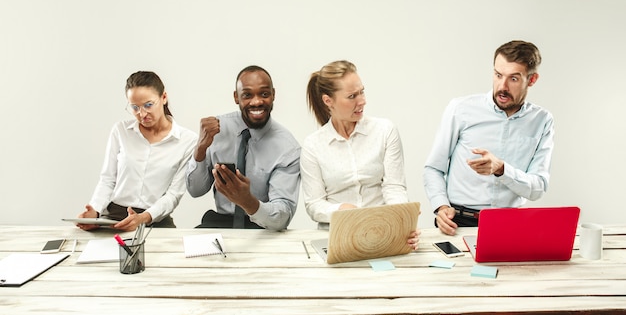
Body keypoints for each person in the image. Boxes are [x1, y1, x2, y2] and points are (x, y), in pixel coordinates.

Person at [424, 40, 554, 235]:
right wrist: (441, 207)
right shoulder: (461, 109)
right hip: (458, 224)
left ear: (532, 79)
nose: (502, 86)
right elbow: (433, 168)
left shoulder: (542, 121)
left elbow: (538, 188)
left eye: (514, 79)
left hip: (511, 225)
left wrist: (502, 169)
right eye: (498, 75)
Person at [301, 60, 420, 250]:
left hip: (383, 233)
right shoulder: (313, 145)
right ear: (328, 101)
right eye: (352, 96)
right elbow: (314, 205)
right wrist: (341, 210)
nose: (362, 101)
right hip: (337, 238)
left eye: (362, 92)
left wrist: (402, 220)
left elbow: (394, 187)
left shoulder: (385, 131)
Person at [76, 71, 198, 231]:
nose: (142, 114)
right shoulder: (121, 131)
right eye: (135, 107)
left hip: (155, 220)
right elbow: (107, 180)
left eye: (148, 105)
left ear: (164, 98)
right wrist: (95, 210)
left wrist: (144, 218)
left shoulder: (187, 140)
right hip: (114, 217)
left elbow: (174, 194)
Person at [186, 65, 300, 230]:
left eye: (264, 94)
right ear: (236, 97)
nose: (257, 102)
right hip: (220, 224)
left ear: (273, 95)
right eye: (247, 95)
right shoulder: (216, 131)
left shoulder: (287, 148)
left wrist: (247, 201)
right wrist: (200, 150)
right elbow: (195, 190)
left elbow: (282, 217)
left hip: (263, 228)